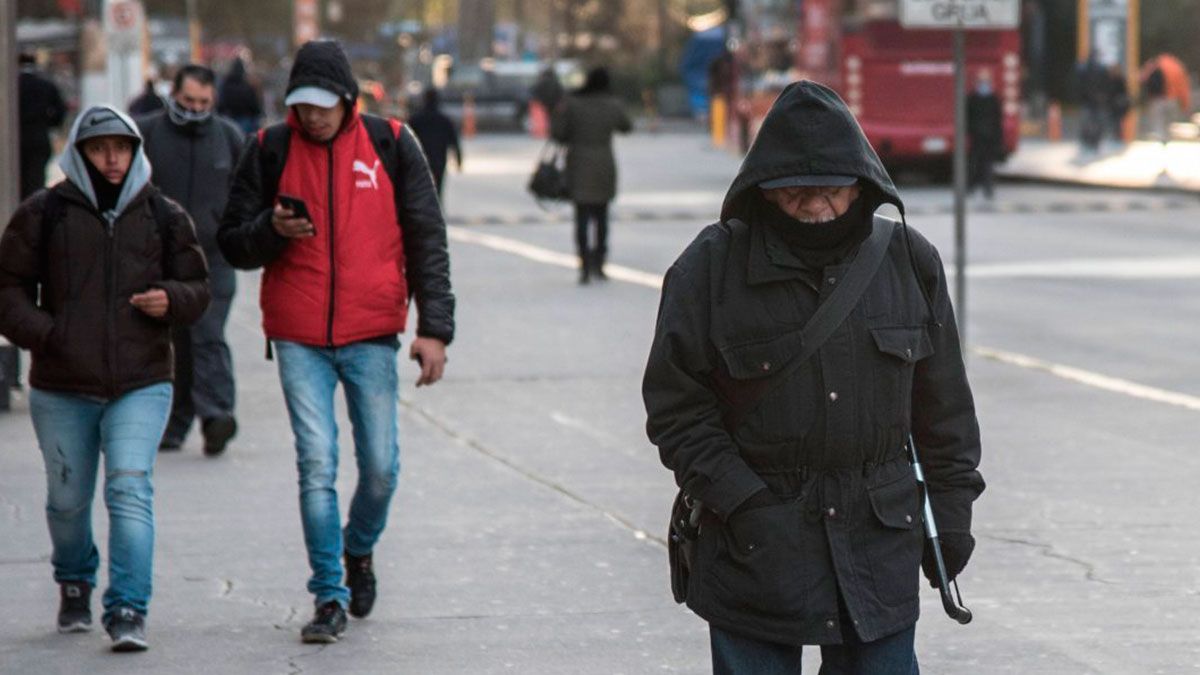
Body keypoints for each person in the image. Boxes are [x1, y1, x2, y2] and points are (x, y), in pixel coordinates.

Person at [642, 81, 984, 674]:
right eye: (795, 193)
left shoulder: (909, 261)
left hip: (877, 542)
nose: (815, 206)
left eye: (831, 190)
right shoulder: (710, 268)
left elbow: (944, 409)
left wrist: (951, 513)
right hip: (756, 544)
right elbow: (676, 407)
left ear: (862, 182)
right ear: (764, 191)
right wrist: (742, 501)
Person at [218, 39, 455, 645]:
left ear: (348, 99)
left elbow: (427, 239)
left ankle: (358, 549)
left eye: (324, 104)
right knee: (316, 463)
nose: (313, 115)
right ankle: (328, 594)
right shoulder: (268, 148)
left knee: (379, 467)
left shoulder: (392, 144)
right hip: (298, 336)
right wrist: (272, 230)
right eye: (303, 104)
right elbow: (233, 244)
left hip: (372, 331)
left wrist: (434, 329)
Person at [0, 105, 210, 651]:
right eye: (99, 148)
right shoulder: (44, 214)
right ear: (79, 152)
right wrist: (47, 333)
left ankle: (128, 609)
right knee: (67, 501)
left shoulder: (164, 215)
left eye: (122, 147)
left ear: (137, 150)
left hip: (141, 381)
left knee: (129, 489)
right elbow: (7, 289)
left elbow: (198, 287)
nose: (112, 159)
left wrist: (172, 299)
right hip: (61, 385)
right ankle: (74, 581)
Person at [137, 64, 246, 456]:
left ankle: (217, 415)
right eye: (188, 101)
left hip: (213, 258)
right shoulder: (147, 133)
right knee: (175, 340)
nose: (195, 108)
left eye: (203, 102)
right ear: (174, 95)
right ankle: (174, 423)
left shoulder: (229, 137)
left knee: (207, 332)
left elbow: (245, 194)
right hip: (160, 258)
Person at [551, 67, 632, 284]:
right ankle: (600, 261)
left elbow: (558, 134)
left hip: (577, 164)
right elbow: (626, 126)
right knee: (602, 216)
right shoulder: (612, 104)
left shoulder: (573, 104)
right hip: (604, 164)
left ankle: (584, 264)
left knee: (582, 217)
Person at [17, 51, 67, 200]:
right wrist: (49, 123)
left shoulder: (12, 86)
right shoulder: (46, 85)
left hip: (15, 139)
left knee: (17, 179)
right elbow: (60, 111)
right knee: (36, 180)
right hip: (39, 138)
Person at [407, 88, 463, 198]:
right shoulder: (444, 120)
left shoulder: (415, 120)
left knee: (420, 189)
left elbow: (406, 141)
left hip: (419, 160)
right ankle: (435, 211)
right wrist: (458, 158)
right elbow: (453, 140)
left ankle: (423, 212)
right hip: (439, 159)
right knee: (438, 188)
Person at [966, 69, 1003, 200]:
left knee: (988, 165)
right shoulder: (972, 98)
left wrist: (998, 140)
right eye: (981, 81)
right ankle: (971, 186)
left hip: (989, 138)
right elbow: (967, 118)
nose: (984, 84)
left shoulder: (994, 99)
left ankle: (988, 188)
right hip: (977, 137)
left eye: (986, 81)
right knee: (974, 163)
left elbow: (998, 120)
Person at [217, 57, 264, 134]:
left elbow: (221, 102)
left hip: (229, 116)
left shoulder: (226, 84)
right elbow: (253, 103)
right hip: (245, 119)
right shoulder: (248, 85)